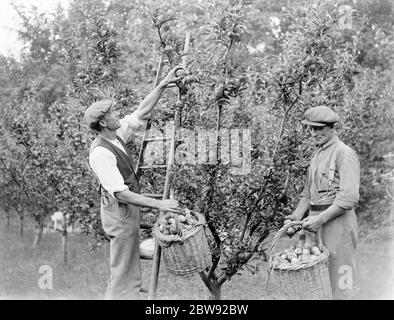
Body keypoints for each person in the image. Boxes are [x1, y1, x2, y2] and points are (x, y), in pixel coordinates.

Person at [84, 66, 184, 300]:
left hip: (126, 212)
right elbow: (121, 194)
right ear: (102, 124)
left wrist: (163, 84)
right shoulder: (100, 153)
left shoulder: (116, 136)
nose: (116, 115)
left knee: (128, 268)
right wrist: (160, 205)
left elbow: (142, 110)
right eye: (111, 114)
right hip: (119, 213)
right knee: (121, 272)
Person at [287, 105, 360, 300]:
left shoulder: (344, 153)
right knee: (318, 282)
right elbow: (307, 193)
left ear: (331, 127)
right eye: (311, 129)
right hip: (315, 224)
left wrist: (320, 219)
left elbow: (349, 198)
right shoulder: (317, 155)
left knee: (343, 283)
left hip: (338, 224)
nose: (314, 133)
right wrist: (295, 217)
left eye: (319, 128)